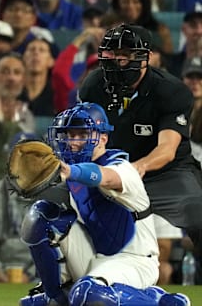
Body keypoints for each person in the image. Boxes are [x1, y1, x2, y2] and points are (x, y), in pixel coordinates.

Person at [18, 102, 189, 306]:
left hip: (135, 260)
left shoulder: (122, 167)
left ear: (103, 138)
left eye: (82, 135)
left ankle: (159, 300)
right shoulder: (71, 171)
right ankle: (55, 296)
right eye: (69, 135)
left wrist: (72, 172)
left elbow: (106, 177)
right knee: (40, 216)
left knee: (89, 295)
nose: (73, 141)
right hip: (97, 254)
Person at [79, 23, 202, 273]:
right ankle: (67, 284)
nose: (116, 61)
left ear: (144, 58)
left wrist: (137, 168)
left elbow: (167, 149)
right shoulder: (93, 86)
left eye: (124, 54)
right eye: (111, 54)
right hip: (112, 170)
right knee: (63, 210)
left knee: (198, 213)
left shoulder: (171, 91)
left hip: (167, 173)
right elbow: (86, 137)